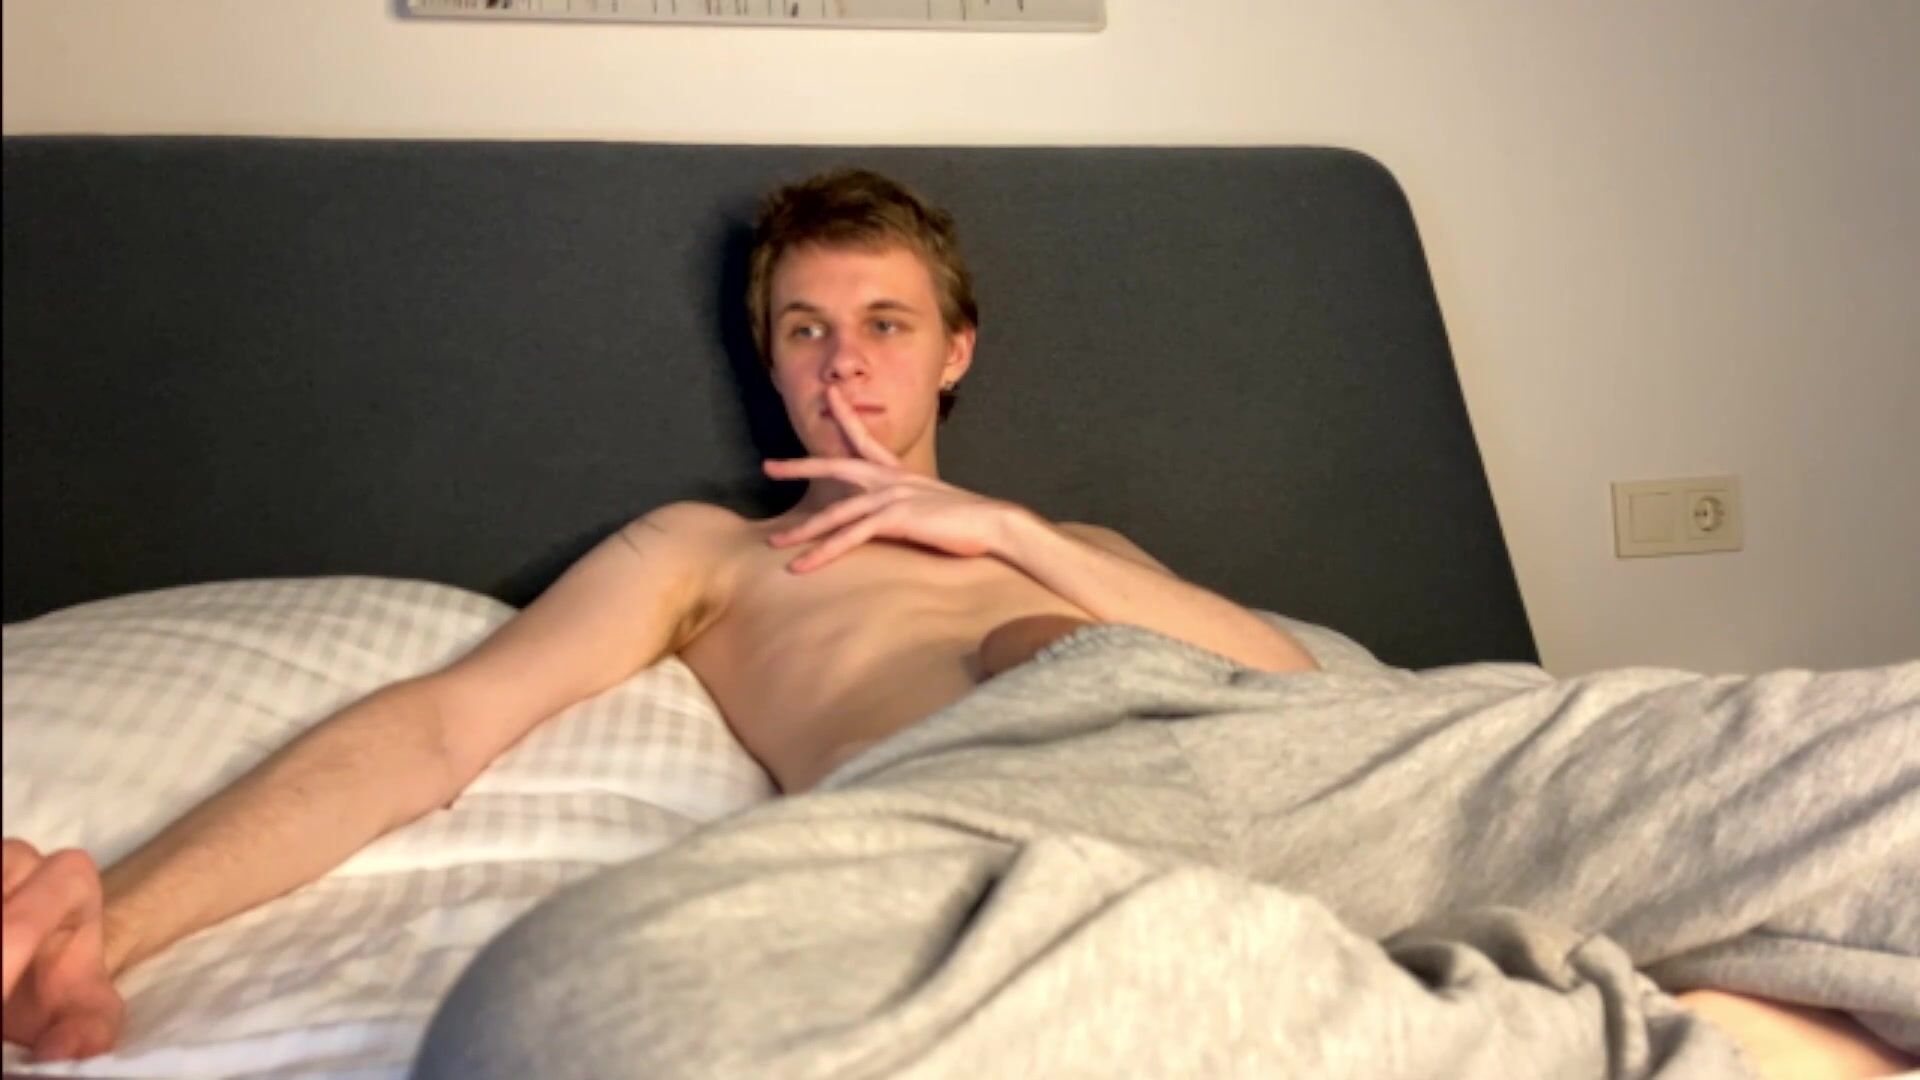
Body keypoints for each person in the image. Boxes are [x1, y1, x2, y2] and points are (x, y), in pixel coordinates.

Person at [3, 170, 1910, 1077]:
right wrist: (113, 910)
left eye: (884, 325)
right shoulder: (702, 553)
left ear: (956, 352)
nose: (843, 367)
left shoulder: (1070, 542)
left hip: (1323, 748)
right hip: (995, 808)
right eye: (804, 331)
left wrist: (1019, 540)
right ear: (767, 361)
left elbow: (1288, 678)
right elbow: (432, 735)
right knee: (576, 1019)